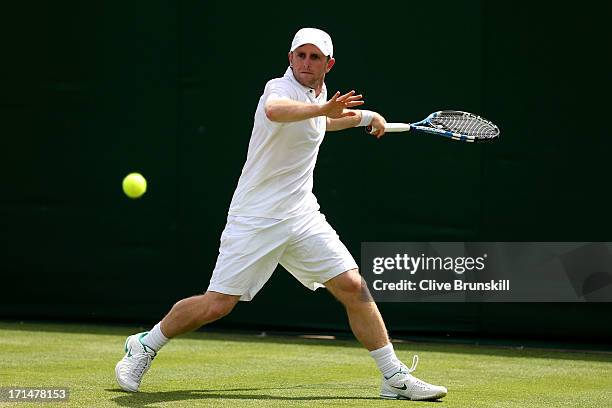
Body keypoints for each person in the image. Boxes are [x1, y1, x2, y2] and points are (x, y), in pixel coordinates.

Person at [115, 27, 447, 401]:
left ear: (329, 64)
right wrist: (326, 109)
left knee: (353, 286)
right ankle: (145, 344)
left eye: (315, 57)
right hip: (256, 216)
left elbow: (318, 123)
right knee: (217, 304)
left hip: (301, 214)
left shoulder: (320, 96)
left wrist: (364, 117)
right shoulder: (279, 89)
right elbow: (279, 112)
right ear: (290, 59)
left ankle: (393, 376)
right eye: (300, 55)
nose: (306, 63)